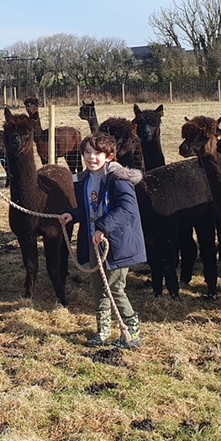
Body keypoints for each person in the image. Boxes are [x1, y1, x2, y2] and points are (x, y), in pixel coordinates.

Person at [61, 133, 146, 348]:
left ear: (108, 156)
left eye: (97, 153)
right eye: (87, 153)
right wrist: (74, 215)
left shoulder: (118, 179)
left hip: (116, 243)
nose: (91, 158)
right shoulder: (86, 179)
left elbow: (127, 209)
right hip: (94, 242)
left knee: (114, 288)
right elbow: (90, 208)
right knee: (98, 287)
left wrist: (103, 228)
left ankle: (131, 333)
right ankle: (103, 330)